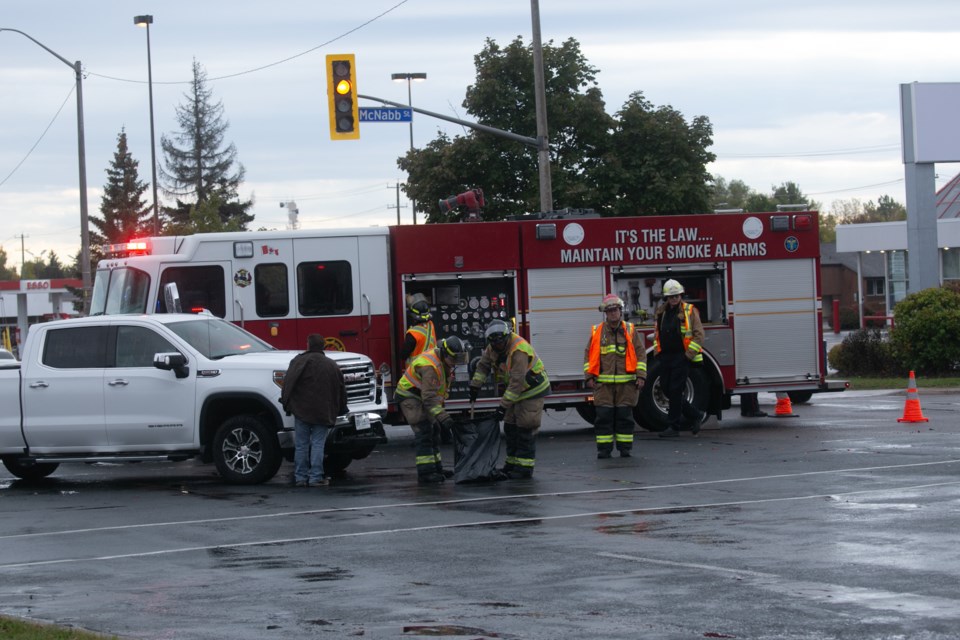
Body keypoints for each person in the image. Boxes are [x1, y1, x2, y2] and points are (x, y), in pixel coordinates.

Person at [469, 320, 550, 479]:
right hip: (516, 391)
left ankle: (524, 468)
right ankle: (511, 464)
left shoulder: (518, 351)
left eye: (500, 342)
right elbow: (483, 366)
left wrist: (502, 407)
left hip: (531, 390)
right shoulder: (492, 347)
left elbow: (516, 384)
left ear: (506, 337)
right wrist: (475, 386)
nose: (497, 346)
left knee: (525, 427)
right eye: (494, 343)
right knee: (510, 427)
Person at [395, 336, 467, 484]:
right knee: (424, 432)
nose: (455, 363)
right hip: (410, 397)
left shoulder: (442, 360)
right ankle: (426, 473)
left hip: (420, 396)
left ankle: (436, 468)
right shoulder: (430, 367)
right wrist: (444, 417)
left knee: (434, 430)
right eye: (454, 359)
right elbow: (428, 398)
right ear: (446, 354)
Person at [584, 294, 647, 458]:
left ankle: (625, 450)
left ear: (621, 311)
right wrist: (589, 376)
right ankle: (604, 451)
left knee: (624, 418)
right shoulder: (597, 331)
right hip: (603, 386)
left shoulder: (630, 330)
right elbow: (588, 355)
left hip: (626, 385)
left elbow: (641, 354)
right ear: (605, 313)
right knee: (603, 418)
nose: (613, 313)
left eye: (616, 310)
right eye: (610, 310)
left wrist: (641, 376)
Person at [280, 334, 347, 487]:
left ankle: (300, 478)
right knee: (318, 444)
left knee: (301, 445)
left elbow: (288, 384)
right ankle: (316, 477)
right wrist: (342, 407)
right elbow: (341, 389)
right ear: (323, 347)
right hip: (324, 410)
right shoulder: (331, 365)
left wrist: (287, 403)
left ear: (308, 345)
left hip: (302, 410)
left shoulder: (298, 362)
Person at [653, 279, 707, 438]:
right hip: (666, 357)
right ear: (666, 298)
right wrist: (658, 353)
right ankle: (695, 415)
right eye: (671, 297)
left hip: (681, 357)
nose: (674, 299)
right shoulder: (661, 312)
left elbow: (699, 335)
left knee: (676, 390)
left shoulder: (689, 311)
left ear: (680, 295)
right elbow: (657, 334)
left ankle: (673, 426)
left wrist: (688, 355)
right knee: (666, 388)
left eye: (676, 296)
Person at [399, 294, 437, 367]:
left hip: (416, 370)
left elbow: (403, 355)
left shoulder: (413, 333)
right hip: (432, 366)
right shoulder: (431, 325)